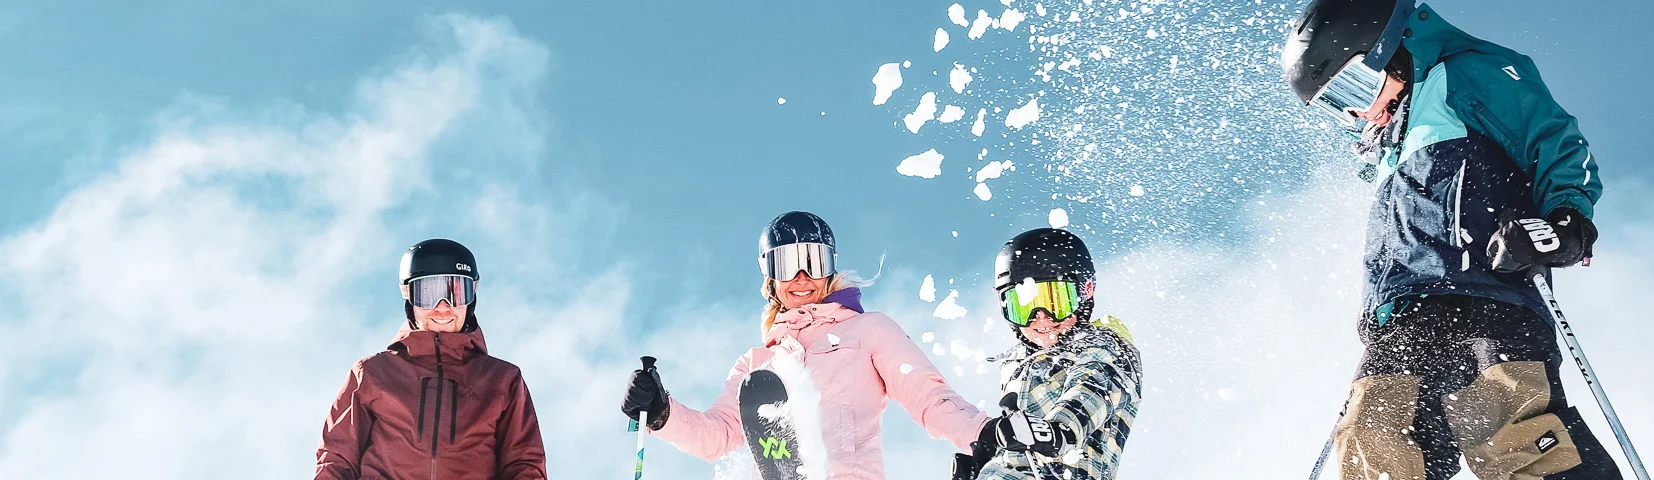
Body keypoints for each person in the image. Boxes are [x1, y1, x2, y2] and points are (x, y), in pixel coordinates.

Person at [1281, 1, 1623, 479]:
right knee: (1373, 439)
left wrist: (1566, 224)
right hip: (1404, 316)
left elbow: (1555, 140)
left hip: (1489, 293)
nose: (1357, 110)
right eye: (1337, 104)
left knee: (1513, 430)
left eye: (1352, 85)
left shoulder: (1465, 72)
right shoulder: (1387, 142)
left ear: (1386, 50)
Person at [619, 211, 991, 479]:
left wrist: (987, 434)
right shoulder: (756, 363)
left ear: (830, 268)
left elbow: (930, 398)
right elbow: (717, 437)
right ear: (770, 276)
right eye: (787, 264)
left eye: (813, 261)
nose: (801, 277)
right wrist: (660, 412)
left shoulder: (869, 331)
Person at [315, 239, 546, 480]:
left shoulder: (501, 380)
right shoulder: (372, 374)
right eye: (428, 294)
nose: (443, 308)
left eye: (455, 292)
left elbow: (524, 463)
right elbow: (337, 458)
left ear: (472, 297)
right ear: (409, 298)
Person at [953, 228, 1142, 480]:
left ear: (1084, 291)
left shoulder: (1106, 349)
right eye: (1024, 305)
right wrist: (993, 455)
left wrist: (1057, 430)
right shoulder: (1016, 363)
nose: (1041, 317)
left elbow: (1092, 390)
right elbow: (1021, 439)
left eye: (1055, 301)